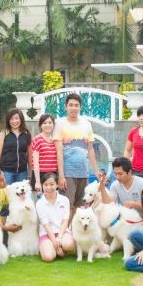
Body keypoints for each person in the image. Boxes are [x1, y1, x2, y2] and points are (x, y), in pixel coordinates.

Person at [54, 93, 100, 221]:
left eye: (76, 105)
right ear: (66, 107)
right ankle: (64, 230)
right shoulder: (60, 124)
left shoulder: (87, 124)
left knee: (80, 206)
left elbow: (90, 149)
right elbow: (59, 152)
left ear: (80, 107)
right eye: (71, 105)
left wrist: (96, 171)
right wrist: (61, 176)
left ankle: (73, 229)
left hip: (83, 172)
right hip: (68, 173)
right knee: (66, 205)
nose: (73, 108)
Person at [36, 172, 76, 262]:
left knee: (69, 245)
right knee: (48, 257)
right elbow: (46, 225)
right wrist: (56, 245)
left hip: (62, 232)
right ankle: (50, 247)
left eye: (51, 184)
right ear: (42, 185)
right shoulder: (39, 203)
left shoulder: (64, 200)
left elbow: (65, 221)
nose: (48, 187)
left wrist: (59, 237)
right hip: (46, 233)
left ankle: (59, 247)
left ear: (57, 185)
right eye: (45, 185)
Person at [0, 108, 31, 184]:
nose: (14, 121)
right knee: (6, 191)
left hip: (22, 172)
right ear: (8, 120)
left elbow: (29, 156)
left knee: (22, 192)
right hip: (6, 172)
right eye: (11, 119)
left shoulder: (26, 134)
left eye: (16, 118)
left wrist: (31, 174)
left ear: (21, 119)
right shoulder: (3, 133)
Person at [30, 113, 58, 194]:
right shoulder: (37, 139)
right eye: (44, 123)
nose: (47, 125)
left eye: (50, 123)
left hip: (53, 175)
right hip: (40, 175)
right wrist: (38, 182)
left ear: (53, 124)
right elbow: (35, 162)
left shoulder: (55, 140)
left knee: (52, 199)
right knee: (41, 200)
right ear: (40, 125)